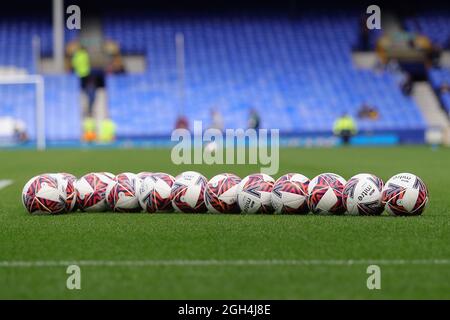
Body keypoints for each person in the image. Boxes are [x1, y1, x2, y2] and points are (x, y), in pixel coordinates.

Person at [71, 46, 95, 116]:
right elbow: (88, 62)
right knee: (87, 86)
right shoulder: (85, 54)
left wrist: (77, 69)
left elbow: (74, 63)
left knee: (82, 87)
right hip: (86, 72)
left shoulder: (76, 55)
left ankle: (84, 93)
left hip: (79, 73)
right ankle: (86, 93)